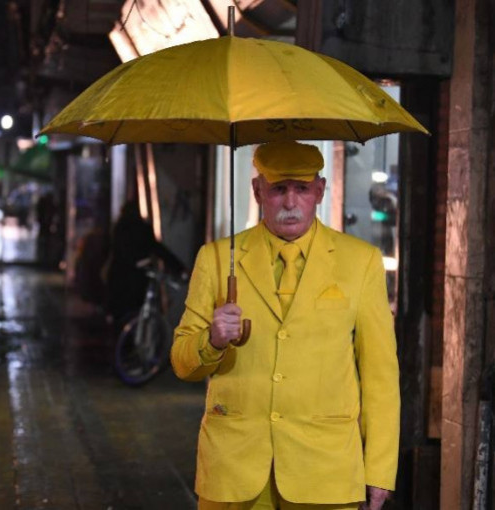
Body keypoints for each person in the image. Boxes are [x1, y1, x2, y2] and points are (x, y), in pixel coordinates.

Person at [171, 141, 399, 510]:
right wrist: (211, 340)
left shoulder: (362, 262)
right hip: (235, 471)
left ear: (320, 191)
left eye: (302, 188)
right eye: (278, 189)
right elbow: (182, 363)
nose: (290, 202)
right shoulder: (216, 258)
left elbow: (380, 376)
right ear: (257, 190)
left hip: (326, 471)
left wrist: (379, 470)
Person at [105, 199, 185, 324]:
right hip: (137, 280)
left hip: (119, 281)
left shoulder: (119, 228)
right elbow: (159, 250)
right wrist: (179, 268)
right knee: (138, 314)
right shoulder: (142, 228)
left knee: (122, 319)